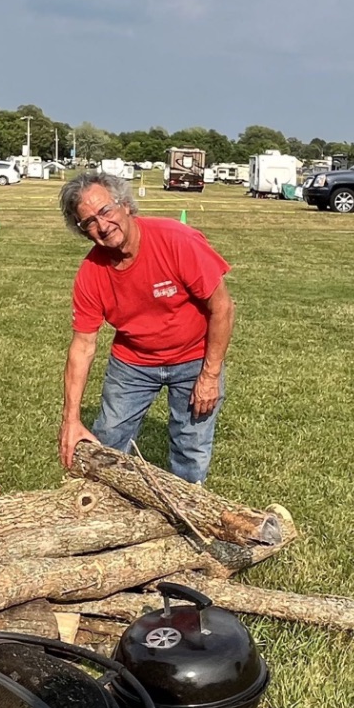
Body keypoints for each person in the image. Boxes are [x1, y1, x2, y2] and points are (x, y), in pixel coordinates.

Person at [58, 171, 234, 484]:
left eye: (105, 211)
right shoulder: (91, 272)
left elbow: (222, 307)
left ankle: (187, 510)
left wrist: (210, 375)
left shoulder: (176, 239)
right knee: (108, 437)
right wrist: (70, 419)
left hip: (194, 357)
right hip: (133, 362)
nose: (102, 225)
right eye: (89, 222)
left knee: (191, 447)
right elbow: (82, 346)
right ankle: (105, 505)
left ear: (125, 205)